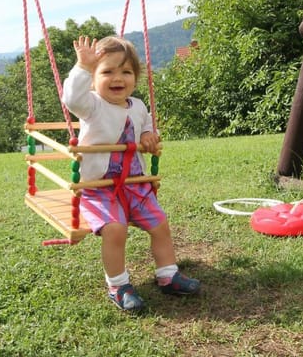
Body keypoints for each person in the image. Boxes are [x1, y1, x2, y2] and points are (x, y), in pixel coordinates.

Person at [62, 35, 200, 313]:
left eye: (126, 72)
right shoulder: (91, 105)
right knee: (115, 229)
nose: (118, 78)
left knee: (159, 223)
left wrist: (149, 134)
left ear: (135, 78)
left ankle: (168, 274)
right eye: (107, 71)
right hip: (99, 187)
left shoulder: (137, 105)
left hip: (135, 185)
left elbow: (145, 124)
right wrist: (82, 67)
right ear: (93, 79)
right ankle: (118, 285)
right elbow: (71, 99)